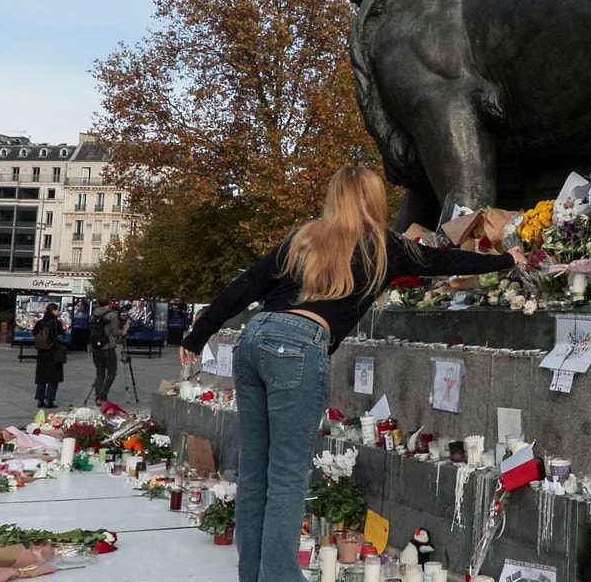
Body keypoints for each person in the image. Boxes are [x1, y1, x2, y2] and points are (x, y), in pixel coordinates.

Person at [180, 166, 525, 582]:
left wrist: (199, 334)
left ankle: (252, 576)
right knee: (287, 475)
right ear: (374, 199)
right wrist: (506, 259)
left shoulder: (305, 237)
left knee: (255, 472)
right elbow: (443, 260)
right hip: (299, 346)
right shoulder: (383, 245)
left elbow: (249, 282)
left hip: (255, 339)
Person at [33, 303, 66, 409]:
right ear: (53, 311)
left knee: (41, 377)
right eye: (57, 310)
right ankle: (49, 400)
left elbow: (34, 333)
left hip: (42, 353)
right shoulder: (56, 323)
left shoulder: (40, 322)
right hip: (53, 353)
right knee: (53, 378)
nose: (59, 312)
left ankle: (40, 400)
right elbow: (62, 335)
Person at [89, 301, 123, 405]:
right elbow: (116, 332)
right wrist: (125, 328)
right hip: (107, 347)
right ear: (109, 304)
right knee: (111, 373)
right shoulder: (112, 315)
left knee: (100, 373)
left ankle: (98, 398)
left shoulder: (94, 314)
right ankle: (102, 397)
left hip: (95, 347)